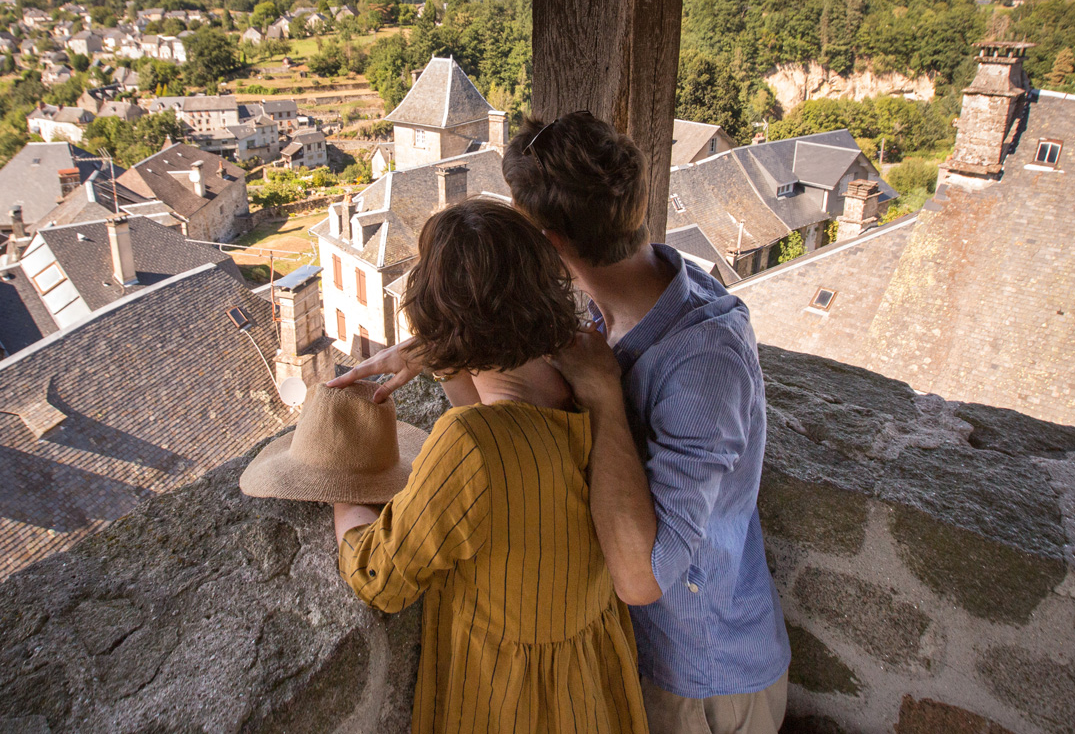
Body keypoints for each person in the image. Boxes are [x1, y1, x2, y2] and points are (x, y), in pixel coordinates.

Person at [332, 113, 790, 734]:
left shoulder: (702, 364)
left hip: (695, 675)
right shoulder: (607, 310)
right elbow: (517, 334)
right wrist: (435, 346)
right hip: (611, 660)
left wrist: (603, 396)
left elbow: (640, 578)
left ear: (545, 243)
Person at [333, 197, 648, 734]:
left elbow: (379, 578)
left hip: (509, 700)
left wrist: (342, 488)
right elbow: (497, 429)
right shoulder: (584, 388)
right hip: (591, 680)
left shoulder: (470, 445)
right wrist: (437, 351)